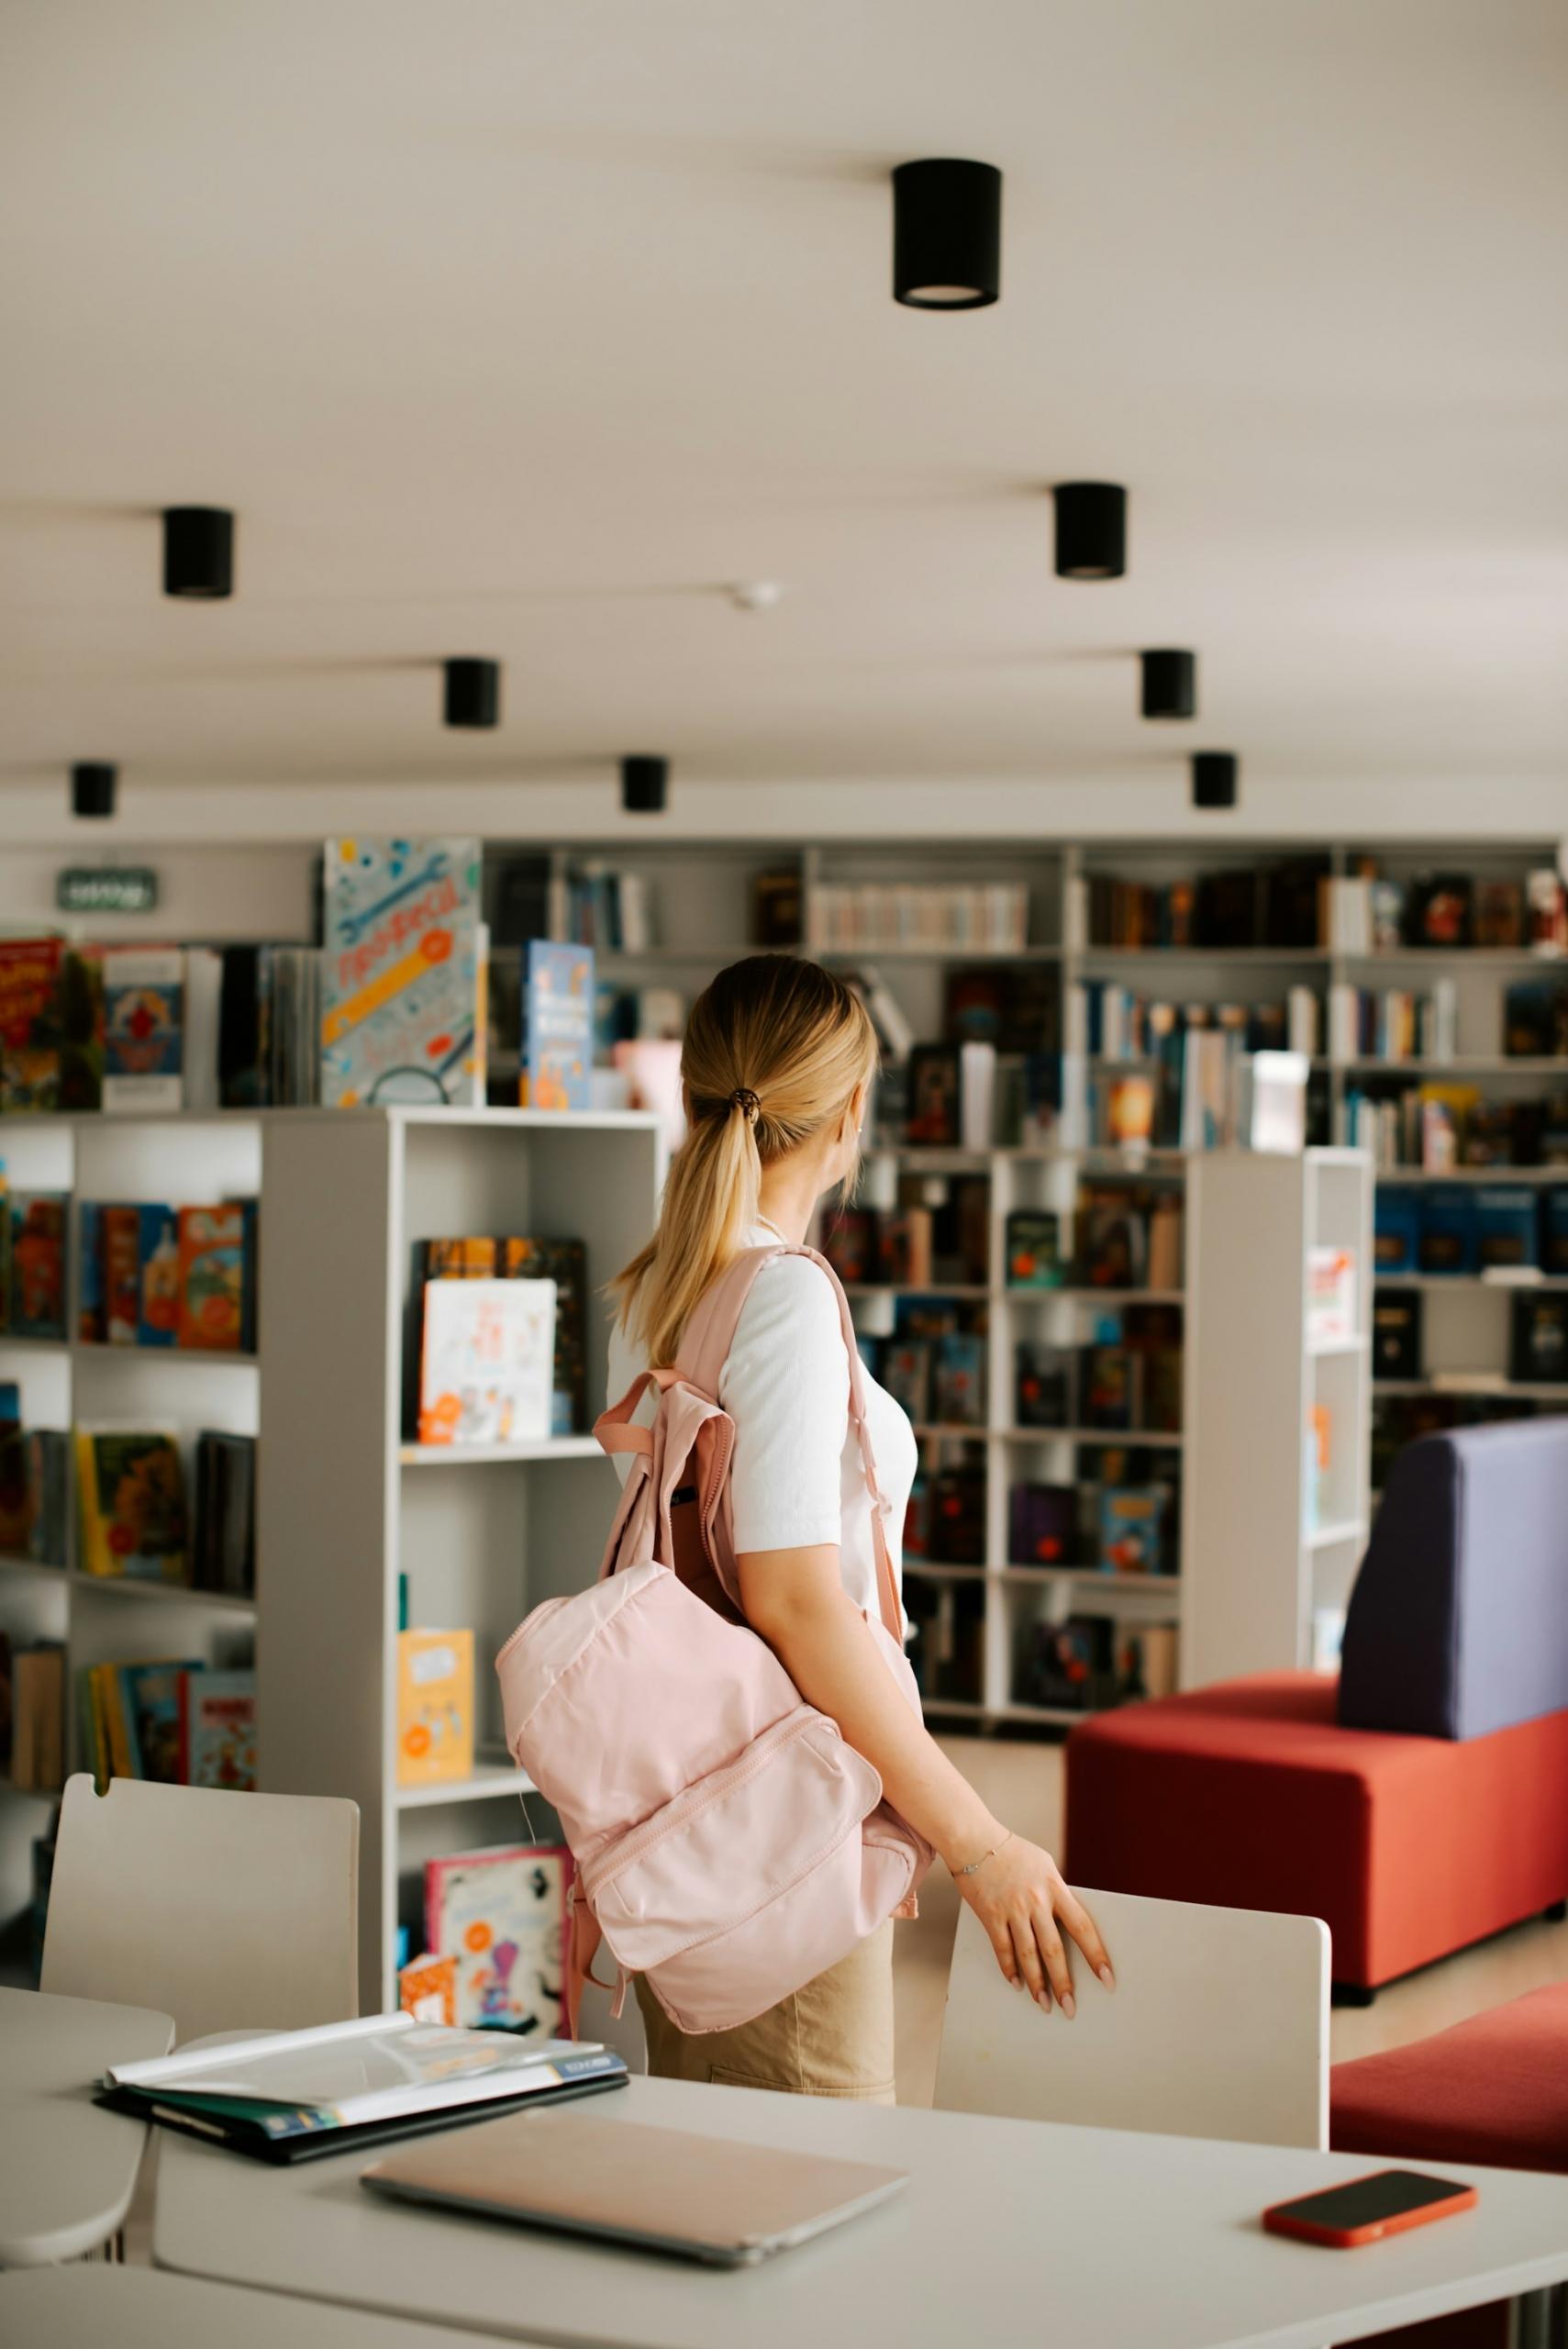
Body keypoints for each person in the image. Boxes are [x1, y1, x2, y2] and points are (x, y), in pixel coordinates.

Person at [607, 953, 1112, 2102]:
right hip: (780, 1839)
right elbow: (793, 1600)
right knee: (815, 2199)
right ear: (847, 1114)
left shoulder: (678, 1282)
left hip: (714, 1812)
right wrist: (982, 1841)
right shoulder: (779, 1294)